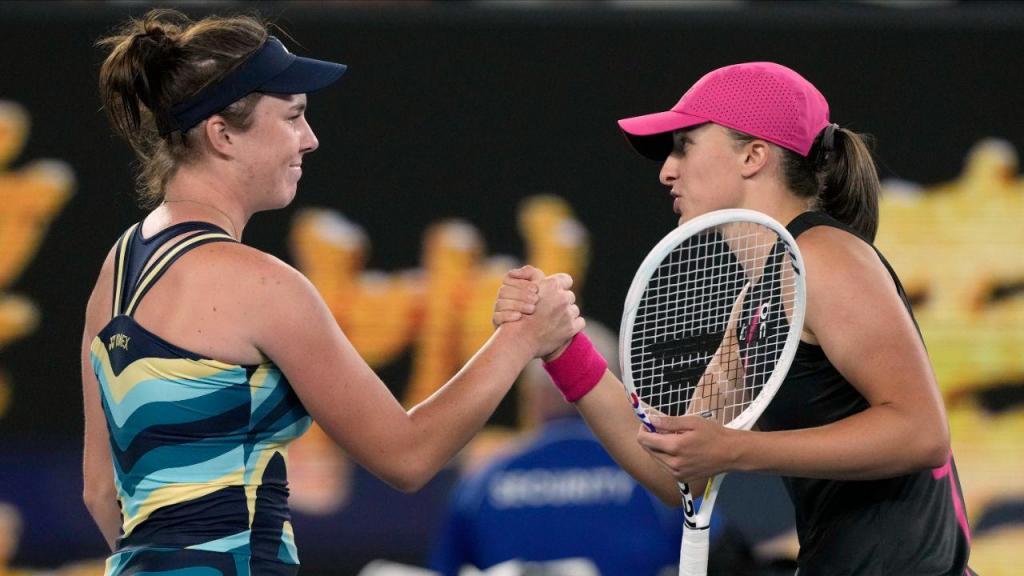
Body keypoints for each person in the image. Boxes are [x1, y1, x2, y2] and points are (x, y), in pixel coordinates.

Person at [82, 10, 582, 576]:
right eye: (292, 117)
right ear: (222, 134)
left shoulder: (118, 265)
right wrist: (520, 339)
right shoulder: (262, 285)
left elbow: (101, 491)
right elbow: (408, 455)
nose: (310, 139)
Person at [494, 62, 974, 575]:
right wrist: (563, 345)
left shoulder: (825, 258)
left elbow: (921, 432)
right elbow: (677, 471)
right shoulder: (762, 295)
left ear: (754, 155)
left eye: (685, 145)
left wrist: (738, 450)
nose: (666, 170)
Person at [429, 321, 693, 576]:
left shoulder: (482, 482)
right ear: (618, 390)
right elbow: (709, 554)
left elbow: (445, 568)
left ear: (535, 396)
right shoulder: (662, 477)